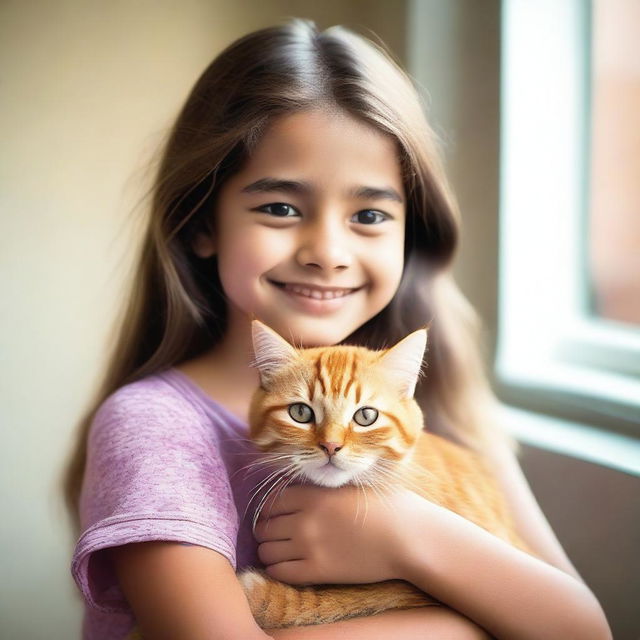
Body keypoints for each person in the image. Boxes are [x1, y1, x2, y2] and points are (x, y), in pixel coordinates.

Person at [63, 18, 611, 640]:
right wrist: (473, 627)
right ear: (200, 223)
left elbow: (585, 630)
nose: (328, 250)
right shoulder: (156, 426)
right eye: (279, 207)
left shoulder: (444, 408)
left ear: (413, 236)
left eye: (370, 214)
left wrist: (405, 534)